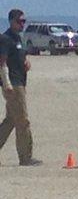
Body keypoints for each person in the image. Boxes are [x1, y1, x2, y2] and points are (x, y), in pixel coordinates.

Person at [0, 9, 42, 166]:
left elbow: (20, 55)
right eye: (20, 21)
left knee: (11, 120)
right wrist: (7, 83)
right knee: (23, 120)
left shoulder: (19, 38)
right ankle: (25, 157)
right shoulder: (5, 39)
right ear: (11, 21)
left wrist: (25, 62)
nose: (23, 24)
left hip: (21, 82)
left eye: (24, 21)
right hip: (13, 85)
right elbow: (2, 62)